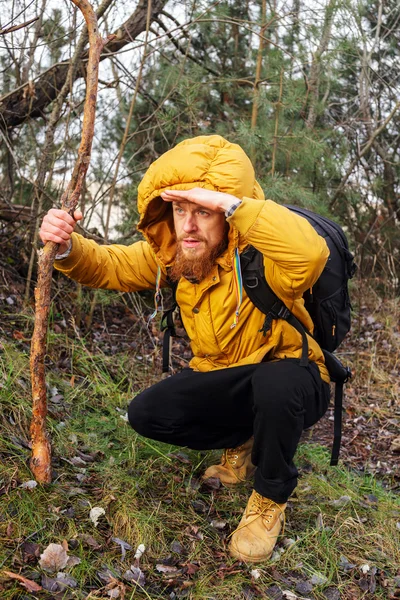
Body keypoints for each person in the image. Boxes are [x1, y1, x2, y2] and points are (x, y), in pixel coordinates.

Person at [40, 135, 331, 563]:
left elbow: (311, 254)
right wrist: (65, 246)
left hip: (296, 378)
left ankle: (270, 498)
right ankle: (246, 442)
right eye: (180, 210)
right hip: (227, 381)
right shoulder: (179, 257)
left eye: (203, 211)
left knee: (275, 382)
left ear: (228, 212)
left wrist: (231, 203)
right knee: (147, 412)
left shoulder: (265, 256)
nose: (188, 226)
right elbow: (111, 264)